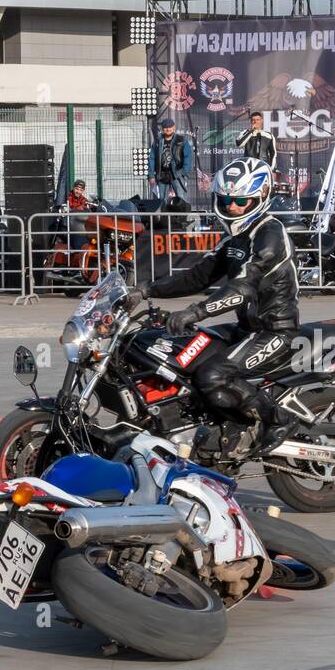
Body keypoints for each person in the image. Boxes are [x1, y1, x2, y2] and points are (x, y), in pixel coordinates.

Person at [124, 157, 300, 454]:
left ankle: (277, 419)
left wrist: (195, 312)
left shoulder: (270, 236)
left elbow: (241, 288)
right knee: (183, 353)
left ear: (260, 198)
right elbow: (199, 275)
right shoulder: (236, 237)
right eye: (226, 199)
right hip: (246, 328)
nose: (231, 207)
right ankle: (215, 426)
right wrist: (145, 290)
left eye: (240, 201)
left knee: (212, 374)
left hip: (276, 332)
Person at [148, 118, 193, 203]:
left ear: (174, 127)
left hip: (177, 174)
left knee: (180, 199)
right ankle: (163, 216)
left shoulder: (182, 141)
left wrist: (183, 172)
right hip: (161, 175)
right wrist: (151, 175)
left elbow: (188, 157)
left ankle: (182, 216)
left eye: (170, 127)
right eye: (165, 127)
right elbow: (152, 158)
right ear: (162, 129)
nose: (168, 129)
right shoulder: (157, 142)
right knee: (161, 201)